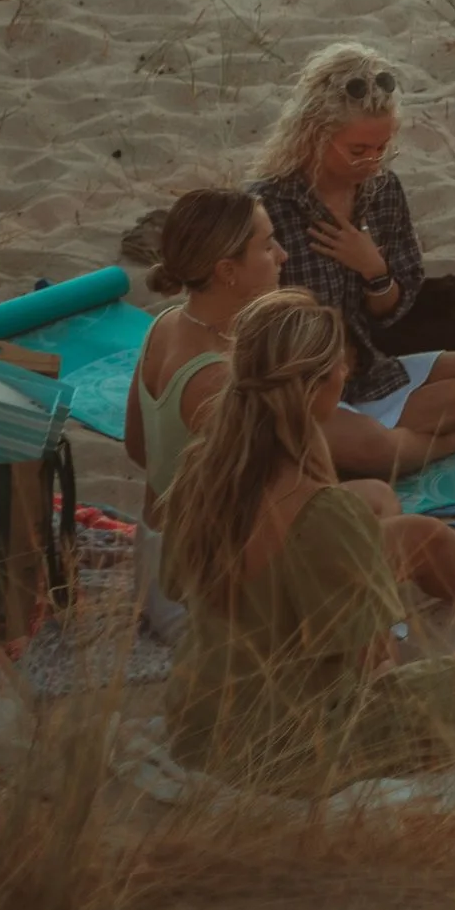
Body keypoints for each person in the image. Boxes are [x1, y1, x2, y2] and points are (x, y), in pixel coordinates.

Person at [162, 293, 455, 790]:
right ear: (317, 388)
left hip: (198, 727)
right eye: (338, 365)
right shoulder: (324, 511)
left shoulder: (202, 472)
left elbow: (180, 586)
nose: (347, 372)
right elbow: (370, 664)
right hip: (286, 748)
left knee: (410, 536)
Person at [254, 46, 455, 477]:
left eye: (382, 147)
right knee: (373, 451)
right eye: (357, 149)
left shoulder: (383, 192)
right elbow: (249, 321)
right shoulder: (268, 205)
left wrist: (374, 270)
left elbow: (392, 313)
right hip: (304, 384)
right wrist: (323, 346)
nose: (372, 162)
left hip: (369, 372)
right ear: (314, 136)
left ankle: (376, 440)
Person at [122, 188, 285, 640]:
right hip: (194, 595)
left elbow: (139, 450)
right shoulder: (214, 377)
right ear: (227, 272)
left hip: (154, 562)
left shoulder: (166, 323)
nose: (282, 255)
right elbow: (268, 503)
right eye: (268, 245)